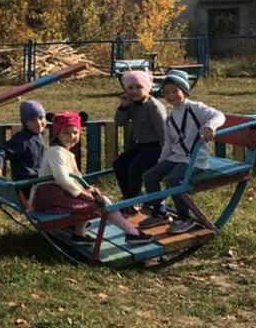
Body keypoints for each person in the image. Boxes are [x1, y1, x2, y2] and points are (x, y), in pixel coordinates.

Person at [31, 111, 154, 246]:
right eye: (66, 133)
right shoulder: (56, 152)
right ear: (57, 134)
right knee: (101, 203)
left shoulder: (64, 152)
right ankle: (131, 233)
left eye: (75, 132)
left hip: (56, 193)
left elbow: (75, 176)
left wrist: (87, 189)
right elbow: (63, 179)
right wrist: (84, 194)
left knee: (97, 197)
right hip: (52, 196)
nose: (71, 136)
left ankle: (80, 234)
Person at [142, 69, 225, 235]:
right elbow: (168, 144)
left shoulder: (195, 108)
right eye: (166, 92)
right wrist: (162, 162)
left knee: (173, 179)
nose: (171, 95)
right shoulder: (170, 118)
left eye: (175, 91)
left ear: (185, 92)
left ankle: (184, 218)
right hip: (176, 157)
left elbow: (218, 115)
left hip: (195, 159)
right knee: (150, 175)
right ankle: (160, 212)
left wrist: (210, 127)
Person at [111, 70, 168, 227]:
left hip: (157, 146)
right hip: (142, 145)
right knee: (120, 163)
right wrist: (123, 106)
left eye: (138, 87)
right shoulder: (131, 104)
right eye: (130, 88)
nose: (134, 91)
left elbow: (163, 133)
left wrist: (165, 156)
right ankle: (130, 198)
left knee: (136, 168)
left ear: (147, 88)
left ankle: (133, 199)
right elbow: (119, 122)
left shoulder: (154, 106)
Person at [0, 100, 46, 180]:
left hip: (37, 179)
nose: (38, 123)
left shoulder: (36, 135)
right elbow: (1, 150)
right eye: (32, 120)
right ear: (24, 122)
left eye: (41, 118)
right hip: (27, 184)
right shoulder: (22, 140)